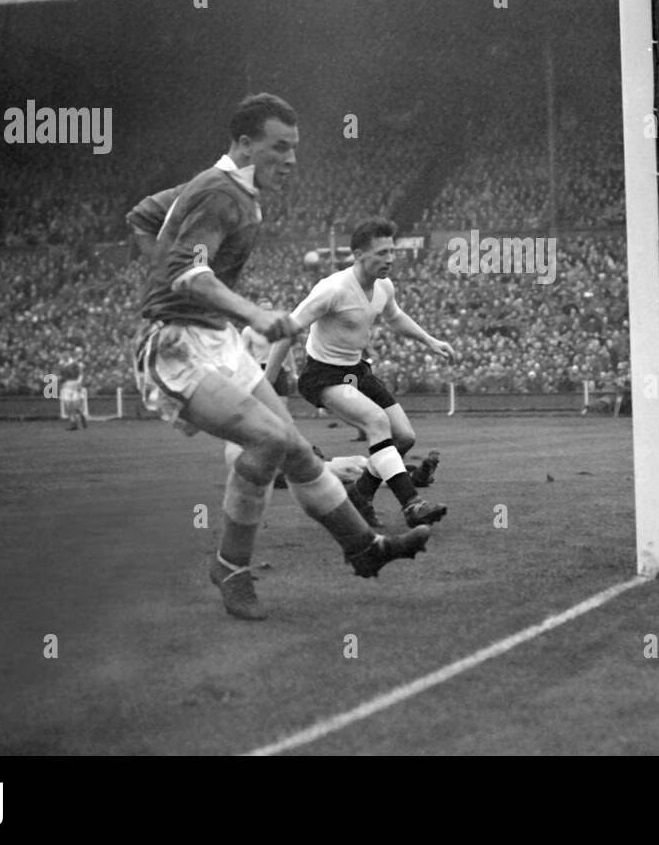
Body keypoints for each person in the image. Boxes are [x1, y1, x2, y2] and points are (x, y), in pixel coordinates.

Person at [130, 94, 432, 621]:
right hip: (175, 345)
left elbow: (146, 216)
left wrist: (167, 275)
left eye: (294, 148)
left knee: (294, 448)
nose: (291, 160)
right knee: (267, 439)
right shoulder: (220, 192)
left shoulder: (226, 190)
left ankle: (366, 548)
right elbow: (188, 272)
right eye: (279, 148)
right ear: (245, 144)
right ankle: (231, 566)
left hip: (214, 340)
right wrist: (246, 311)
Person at [273, 218, 452, 529]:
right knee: (377, 422)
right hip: (323, 375)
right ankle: (412, 504)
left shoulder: (384, 286)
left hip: (356, 371)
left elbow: (394, 317)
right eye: (382, 253)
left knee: (404, 437)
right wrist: (264, 385)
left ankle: (359, 496)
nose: (390, 259)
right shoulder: (332, 289)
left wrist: (429, 339)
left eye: (392, 252)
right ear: (358, 254)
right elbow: (287, 330)